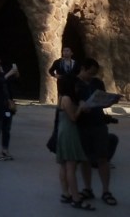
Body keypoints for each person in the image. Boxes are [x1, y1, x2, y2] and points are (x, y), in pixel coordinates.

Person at [76, 57, 118, 206]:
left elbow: (102, 99)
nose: (91, 76)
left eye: (94, 73)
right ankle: (88, 189)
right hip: (82, 125)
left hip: (98, 123)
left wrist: (110, 101)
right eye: (90, 73)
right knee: (85, 158)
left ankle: (106, 191)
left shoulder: (97, 83)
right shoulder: (75, 84)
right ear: (83, 69)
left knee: (102, 157)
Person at [55, 75, 95, 210]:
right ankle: (76, 198)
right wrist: (80, 108)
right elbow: (73, 118)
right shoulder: (66, 98)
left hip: (63, 131)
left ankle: (66, 194)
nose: (78, 88)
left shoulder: (63, 97)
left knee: (64, 165)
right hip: (69, 132)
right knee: (71, 167)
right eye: (76, 85)